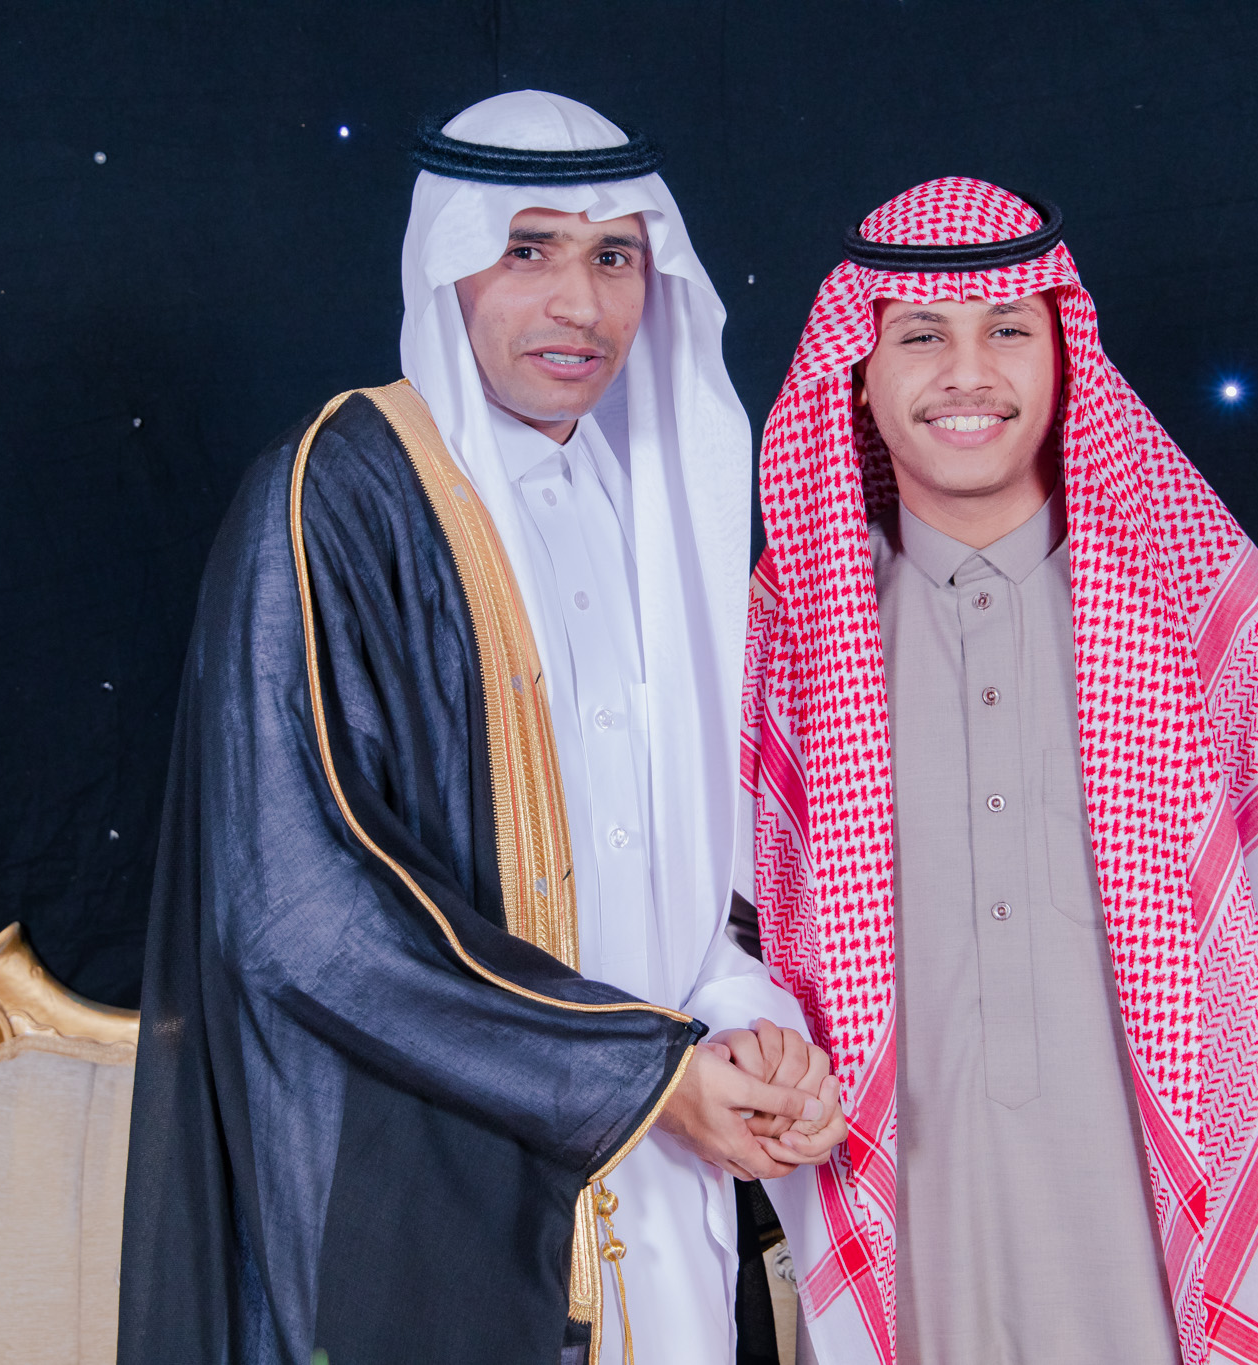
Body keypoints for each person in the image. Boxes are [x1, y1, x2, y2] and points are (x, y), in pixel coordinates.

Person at [120, 90, 844, 1365]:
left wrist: (741, 1015)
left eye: (613, 257)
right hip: (434, 1193)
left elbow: (693, 852)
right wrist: (638, 1075)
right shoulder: (341, 492)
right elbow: (300, 906)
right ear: (447, 264)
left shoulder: (656, 507)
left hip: (673, 1174)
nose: (579, 305)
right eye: (528, 251)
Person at [738, 178, 1258, 1365]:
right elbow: (730, 959)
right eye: (919, 337)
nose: (967, 374)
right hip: (908, 1263)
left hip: (1171, 1266)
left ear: (1063, 356)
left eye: (1007, 329)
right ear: (857, 372)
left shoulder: (1195, 607)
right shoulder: (786, 645)